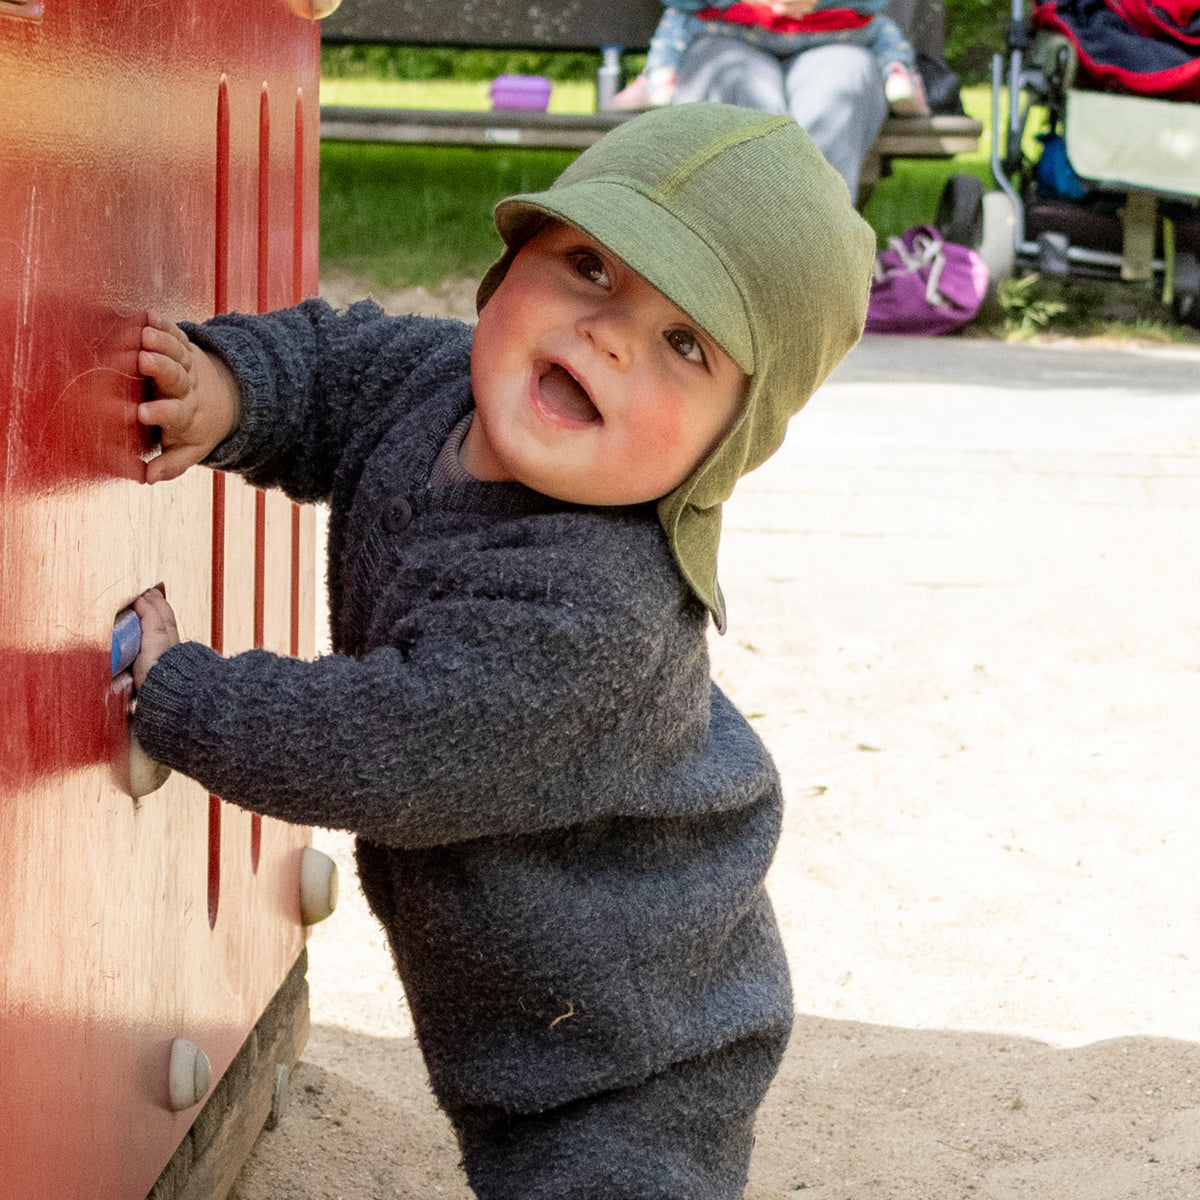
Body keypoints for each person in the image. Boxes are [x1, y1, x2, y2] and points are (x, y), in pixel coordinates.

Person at [130, 103, 875, 1200]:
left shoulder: (594, 614)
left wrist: (177, 694)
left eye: (685, 344)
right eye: (590, 266)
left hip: (633, 1056)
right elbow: (335, 369)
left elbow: (380, 745)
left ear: (727, 447)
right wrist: (234, 390)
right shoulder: (441, 386)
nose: (609, 334)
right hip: (520, 1016)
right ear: (513, 256)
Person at [610, 0, 929, 115]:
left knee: (679, 20)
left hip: (736, 25)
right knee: (883, 32)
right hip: (830, 27)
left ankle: (659, 77)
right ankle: (899, 74)